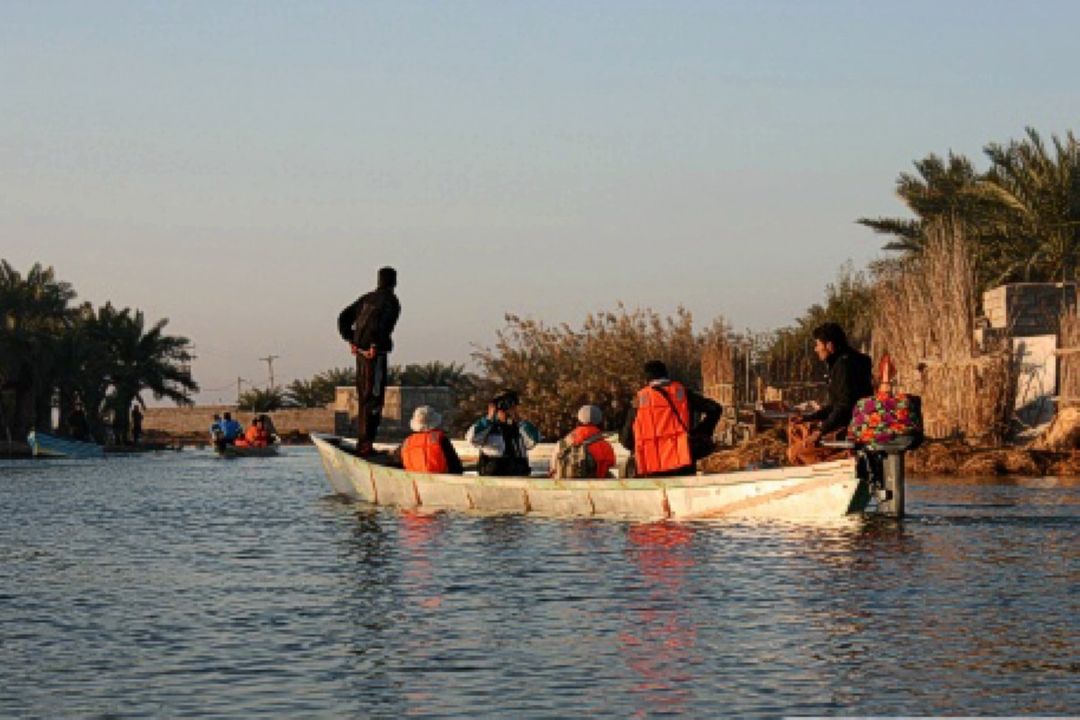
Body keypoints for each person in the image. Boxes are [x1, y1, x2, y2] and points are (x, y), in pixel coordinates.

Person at [787, 322, 873, 466]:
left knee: (794, 453)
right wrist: (809, 417)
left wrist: (821, 430)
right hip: (849, 421)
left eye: (818, 345)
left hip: (850, 426)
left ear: (830, 345)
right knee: (796, 427)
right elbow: (836, 404)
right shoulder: (850, 361)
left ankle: (845, 461)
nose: (816, 349)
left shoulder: (843, 366)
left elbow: (844, 406)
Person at [337, 266, 401, 456]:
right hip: (375, 355)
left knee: (364, 397)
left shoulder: (366, 298)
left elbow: (343, 318)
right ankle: (365, 445)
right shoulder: (392, 301)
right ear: (394, 282)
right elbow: (382, 326)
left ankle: (363, 443)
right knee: (373, 399)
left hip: (361, 355)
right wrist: (373, 344)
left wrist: (351, 339)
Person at [620, 360, 722, 478]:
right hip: (683, 463)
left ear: (646, 379)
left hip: (652, 467)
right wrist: (700, 432)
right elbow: (715, 409)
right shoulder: (682, 394)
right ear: (666, 374)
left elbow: (626, 439)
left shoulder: (639, 401)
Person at [465, 389, 541, 476]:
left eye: (512, 406)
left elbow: (533, 441)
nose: (506, 411)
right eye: (503, 407)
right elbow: (471, 438)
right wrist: (488, 419)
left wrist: (519, 421)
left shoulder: (520, 428)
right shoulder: (488, 428)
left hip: (519, 478)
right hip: (493, 479)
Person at [550, 405, 617, 479]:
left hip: (564, 488)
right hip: (593, 488)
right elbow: (609, 466)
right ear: (600, 421)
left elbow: (553, 468)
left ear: (579, 420)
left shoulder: (562, 444)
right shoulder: (604, 446)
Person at [400, 405, 463, 474]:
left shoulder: (407, 442)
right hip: (440, 482)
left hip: (415, 482)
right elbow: (457, 468)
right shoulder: (440, 439)